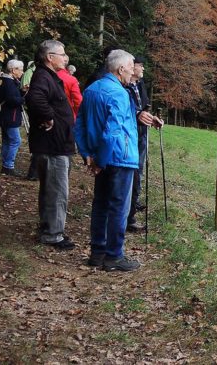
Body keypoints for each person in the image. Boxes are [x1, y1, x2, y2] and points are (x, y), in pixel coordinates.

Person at [75, 49, 161, 271]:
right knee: (118, 207)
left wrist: (87, 154)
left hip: (100, 156)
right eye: (131, 67)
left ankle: (97, 253)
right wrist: (100, 161)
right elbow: (113, 132)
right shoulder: (119, 94)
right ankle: (114, 256)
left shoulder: (91, 89)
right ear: (121, 69)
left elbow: (80, 124)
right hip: (119, 158)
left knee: (101, 205)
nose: (133, 71)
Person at [26, 40, 76, 250]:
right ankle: (53, 234)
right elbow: (35, 99)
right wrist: (48, 118)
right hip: (52, 145)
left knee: (51, 189)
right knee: (56, 191)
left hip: (55, 144)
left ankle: (49, 228)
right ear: (49, 57)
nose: (65, 58)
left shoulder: (48, 76)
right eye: (61, 54)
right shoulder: (43, 76)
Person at [126, 57, 156, 232]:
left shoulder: (139, 85)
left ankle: (130, 213)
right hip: (129, 138)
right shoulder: (124, 87)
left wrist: (150, 118)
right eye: (140, 65)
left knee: (138, 173)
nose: (142, 69)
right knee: (132, 175)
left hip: (140, 134)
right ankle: (126, 218)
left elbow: (143, 108)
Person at [0, 60, 25, 177]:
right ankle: (8, 165)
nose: (22, 72)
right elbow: (12, 100)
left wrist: (21, 92)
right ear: (13, 70)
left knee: (7, 140)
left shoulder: (5, 81)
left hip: (5, 115)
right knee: (16, 140)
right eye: (20, 69)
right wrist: (24, 98)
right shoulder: (8, 82)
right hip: (10, 116)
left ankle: (5, 165)